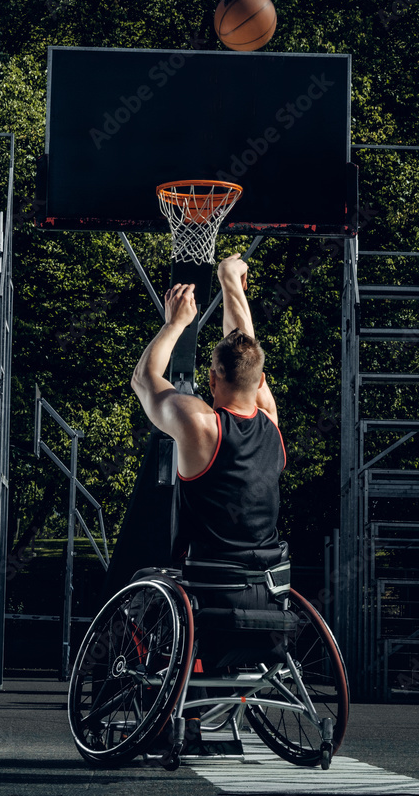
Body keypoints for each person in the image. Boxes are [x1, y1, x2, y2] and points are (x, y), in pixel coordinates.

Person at [130, 252, 288, 661]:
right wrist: (230, 280)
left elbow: (144, 380)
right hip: (266, 584)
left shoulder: (202, 425)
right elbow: (244, 350)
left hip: (205, 583)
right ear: (258, 382)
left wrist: (175, 324)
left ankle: (155, 682)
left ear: (213, 378)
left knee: (141, 586)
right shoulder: (271, 423)